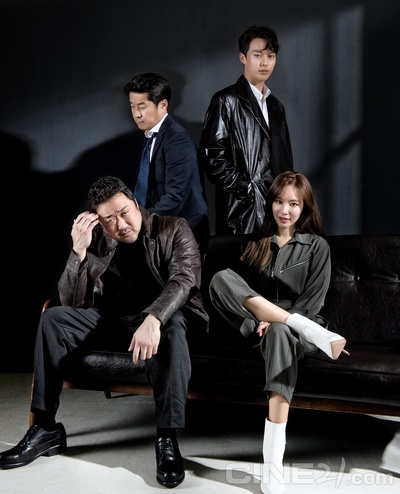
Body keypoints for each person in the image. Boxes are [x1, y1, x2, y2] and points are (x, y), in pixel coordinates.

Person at [0, 176, 209, 489]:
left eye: (124, 213)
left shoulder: (173, 228)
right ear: (98, 220)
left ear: (136, 204)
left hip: (164, 320)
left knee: (175, 323)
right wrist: (78, 252)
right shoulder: (98, 239)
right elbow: (71, 301)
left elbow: (184, 280)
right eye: (109, 219)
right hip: (114, 321)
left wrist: (153, 318)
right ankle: (45, 428)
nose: (120, 225)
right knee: (53, 318)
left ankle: (167, 438)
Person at [208, 171, 349, 494]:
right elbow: (240, 293)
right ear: (270, 203)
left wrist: (282, 322)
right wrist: (267, 318)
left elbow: (313, 301)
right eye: (279, 201)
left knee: (281, 333)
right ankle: (291, 324)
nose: (285, 210)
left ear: (305, 207)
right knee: (220, 279)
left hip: (299, 329)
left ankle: (272, 465)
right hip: (255, 325)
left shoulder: (317, 247)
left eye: (293, 204)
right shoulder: (256, 244)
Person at [199, 24, 293, 235]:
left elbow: (285, 160)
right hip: (241, 209)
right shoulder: (226, 100)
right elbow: (212, 157)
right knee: (243, 256)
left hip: (276, 207)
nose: (265, 62)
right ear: (243, 57)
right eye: (257, 55)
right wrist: (246, 187)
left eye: (271, 56)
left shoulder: (276, 107)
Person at [124, 72, 210, 248]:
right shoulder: (151, 136)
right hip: (163, 225)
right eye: (132, 106)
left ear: (163, 105)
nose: (136, 114)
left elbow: (175, 196)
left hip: (184, 230)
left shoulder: (177, 140)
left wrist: (137, 220)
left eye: (142, 106)